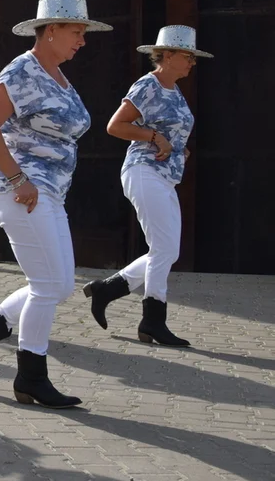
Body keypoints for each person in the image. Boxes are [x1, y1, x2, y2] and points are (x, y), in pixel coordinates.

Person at [0, 0, 111, 409]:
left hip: (49, 192)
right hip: (20, 191)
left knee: (58, 283)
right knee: (48, 285)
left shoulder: (58, 76)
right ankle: (30, 377)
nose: (83, 39)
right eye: (77, 31)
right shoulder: (22, 71)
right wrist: (17, 176)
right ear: (51, 30)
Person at [83, 26, 209, 348]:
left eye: (193, 57)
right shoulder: (148, 85)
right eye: (187, 56)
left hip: (164, 175)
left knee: (167, 251)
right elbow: (115, 126)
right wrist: (154, 137)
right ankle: (153, 321)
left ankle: (107, 289)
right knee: (164, 249)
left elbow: (170, 133)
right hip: (143, 170)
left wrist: (178, 147)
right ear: (166, 55)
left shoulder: (175, 91)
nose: (191, 62)